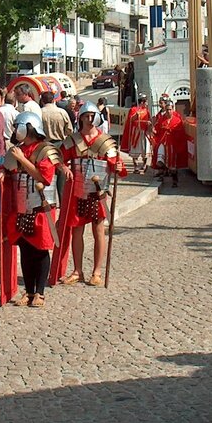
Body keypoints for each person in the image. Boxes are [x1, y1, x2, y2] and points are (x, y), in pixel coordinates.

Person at [0, 111, 67, 307]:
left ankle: (40, 292)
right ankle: (28, 292)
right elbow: (8, 166)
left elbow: (43, 177)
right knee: (25, 249)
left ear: (28, 128)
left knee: (40, 249)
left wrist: (22, 159)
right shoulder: (17, 150)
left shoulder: (47, 150)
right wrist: (3, 171)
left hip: (41, 207)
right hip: (21, 207)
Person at [59, 101, 126, 287]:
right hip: (79, 192)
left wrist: (118, 167)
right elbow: (58, 158)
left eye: (92, 116)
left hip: (98, 193)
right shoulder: (73, 140)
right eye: (86, 116)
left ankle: (96, 272)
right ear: (80, 118)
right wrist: (64, 167)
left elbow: (116, 167)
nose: (89, 119)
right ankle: (77, 271)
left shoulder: (105, 142)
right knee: (77, 231)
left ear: (97, 117)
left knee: (98, 231)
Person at [150, 94, 188, 187]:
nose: (169, 111)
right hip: (163, 143)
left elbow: (181, 134)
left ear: (173, 109)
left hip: (173, 145)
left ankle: (175, 181)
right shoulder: (161, 119)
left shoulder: (177, 120)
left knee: (172, 164)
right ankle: (162, 176)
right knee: (160, 159)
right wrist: (153, 130)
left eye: (170, 109)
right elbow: (157, 130)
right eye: (167, 110)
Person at [120, 93, 151, 174]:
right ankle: (136, 166)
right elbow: (130, 120)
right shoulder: (134, 109)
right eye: (146, 102)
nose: (147, 104)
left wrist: (149, 124)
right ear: (142, 102)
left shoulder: (146, 111)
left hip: (144, 132)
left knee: (145, 149)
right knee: (135, 150)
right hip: (136, 132)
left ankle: (144, 165)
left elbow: (150, 120)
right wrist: (135, 116)